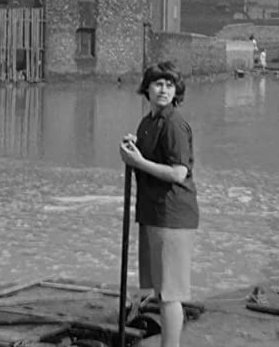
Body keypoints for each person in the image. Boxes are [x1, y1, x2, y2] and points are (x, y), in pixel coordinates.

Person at [119, 61, 198, 347]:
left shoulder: (175, 124)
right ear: (147, 89)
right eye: (157, 84)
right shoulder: (148, 122)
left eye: (169, 84)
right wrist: (131, 149)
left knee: (170, 293)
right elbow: (142, 162)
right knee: (159, 290)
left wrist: (138, 161)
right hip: (152, 212)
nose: (163, 89)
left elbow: (178, 173)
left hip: (172, 215)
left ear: (176, 90)